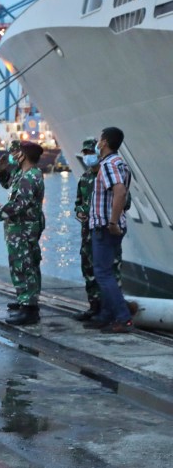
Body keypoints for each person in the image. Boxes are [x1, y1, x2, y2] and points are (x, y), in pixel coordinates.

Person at [0, 141, 45, 325]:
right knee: (22, 264)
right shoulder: (23, 174)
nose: (14, 155)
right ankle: (24, 300)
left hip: (23, 229)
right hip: (19, 228)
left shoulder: (30, 177)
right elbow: (8, 184)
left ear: (24, 155)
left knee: (24, 266)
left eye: (17, 152)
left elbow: (19, 205)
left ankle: (29, 309)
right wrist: (1, 170)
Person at [85, 127, 133, 333]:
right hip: (110, 226)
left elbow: (120, 192)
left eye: (99, 138)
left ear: (104, 142)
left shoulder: (108, 165)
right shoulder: (121, 163)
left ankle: (123, 317)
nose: (97, 142)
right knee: (108, 272)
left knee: (102, 273)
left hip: (105, 227)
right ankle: (106, 314)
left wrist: (112, 222)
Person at [73, 138, 122, 321]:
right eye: (84, 153)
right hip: (87, 231)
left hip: (104, 230)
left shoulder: (108, 173)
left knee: (109, 270)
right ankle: (94, 306)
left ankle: (111, 311)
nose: (87, 156)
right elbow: (78, 202)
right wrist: (79, 212)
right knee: (88, 268)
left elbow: (124, 200)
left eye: (89, 152)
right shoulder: (85, 178)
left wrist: (112, 220)